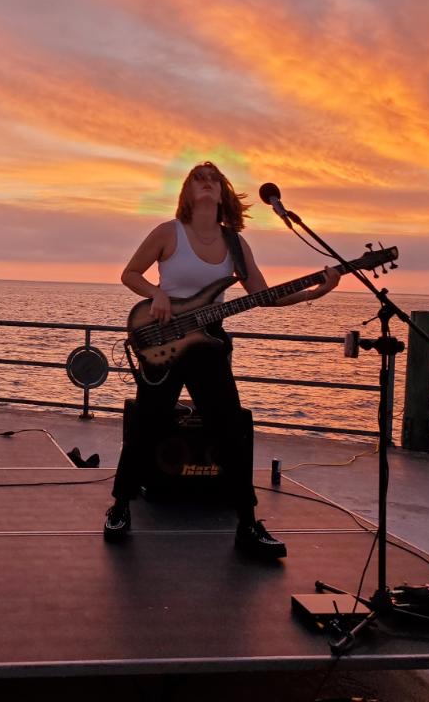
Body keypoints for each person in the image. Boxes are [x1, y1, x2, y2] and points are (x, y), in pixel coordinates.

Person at [105, 162, 340, 558]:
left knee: (230, 429)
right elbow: (130, 274)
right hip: (163, 338)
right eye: (199, 179)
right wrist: (156, 293)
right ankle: (120, 506)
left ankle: (247, 523)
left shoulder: (235, 243)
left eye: (214, 180)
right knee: (147, 424)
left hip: (210, 344)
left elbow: (264, 295)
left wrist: (315, 292)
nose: (207, 184)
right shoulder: (168, 232)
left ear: (223, 193)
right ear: (187, 192)